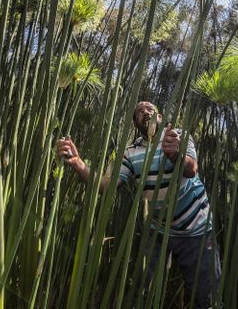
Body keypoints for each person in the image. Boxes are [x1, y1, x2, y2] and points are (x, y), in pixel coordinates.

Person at [56, 101, 221, 308]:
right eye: (139, 111)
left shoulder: (178, 135)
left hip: (196, 228)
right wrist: (79, 162)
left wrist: (175, 154)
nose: (146, 111)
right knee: (141, 293)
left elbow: (191, 169)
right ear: (135, 123)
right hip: (157, 230)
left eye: (150, 108)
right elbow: (106, 185)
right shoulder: (130, 152)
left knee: (205, 297)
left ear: (160, 115)